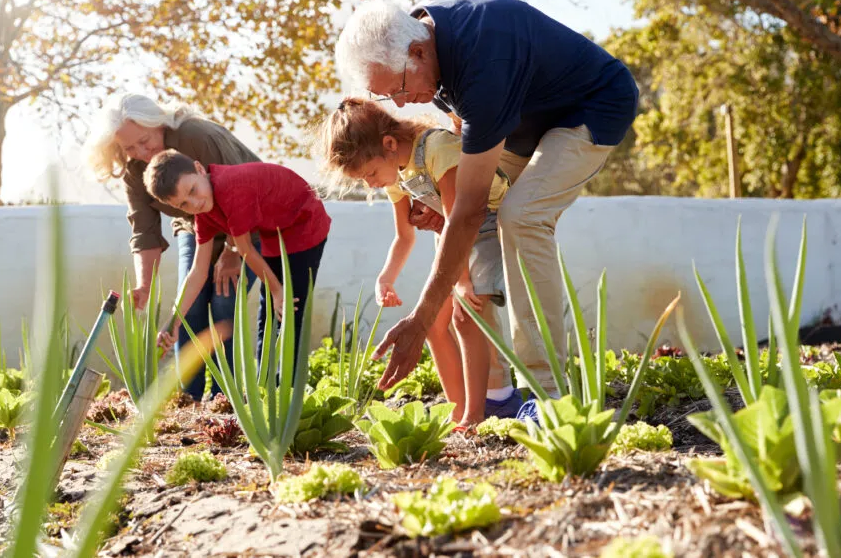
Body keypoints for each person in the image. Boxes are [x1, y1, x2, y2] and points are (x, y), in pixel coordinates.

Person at [334, 0, 638, 412]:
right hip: (525, 124)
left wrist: (421, 321)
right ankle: (496, 394)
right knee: (474, 225)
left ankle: (547, 394)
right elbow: (464, 167)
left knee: (521, 215)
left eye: (400, 89)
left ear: (418, 52)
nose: (400, 105)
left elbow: (471, 208)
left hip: (591, 108)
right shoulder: (427, 52)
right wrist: (441, 207)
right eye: (390, 97)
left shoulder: (483, 63)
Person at [317, 97, 522, 425]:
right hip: (453, 233)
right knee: (433, 326)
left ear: (388, 144)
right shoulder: (394, 174)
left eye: (370, 173)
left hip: (484, 224)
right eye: (363, 180)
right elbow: (405, 236)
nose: (371, 183)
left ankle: (483, 410)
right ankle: (458, 414)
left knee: (467, 315)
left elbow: (462, 217)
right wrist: (385, 277)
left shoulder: (437, 148)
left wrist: (462, 279)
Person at [85, 93, 260, 400]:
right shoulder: (135, 170)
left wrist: (233, 253)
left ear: (158, 123)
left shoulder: (196, 136)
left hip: (249, 221)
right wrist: (144, 284)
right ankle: (188, 400)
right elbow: (144, 229)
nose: (141, 152)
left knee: (223, 303)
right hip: (198, 227)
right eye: (129, 147)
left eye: (145, 140)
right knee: (189, 308)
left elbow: (242, 192)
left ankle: (224, 400)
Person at [144, 151, 331, 363]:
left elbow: (245, 250)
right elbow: (197, 272)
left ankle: (286, 390)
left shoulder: (231, 187)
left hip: (304, 224)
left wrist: (278, 291)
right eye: (183, 204)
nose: (194, 203)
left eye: (193, 190)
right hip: (273, 233)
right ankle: (265, 388)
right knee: (269, 314)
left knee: (290, 308)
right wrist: (174, 322)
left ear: (199, 169)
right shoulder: (204, 214)